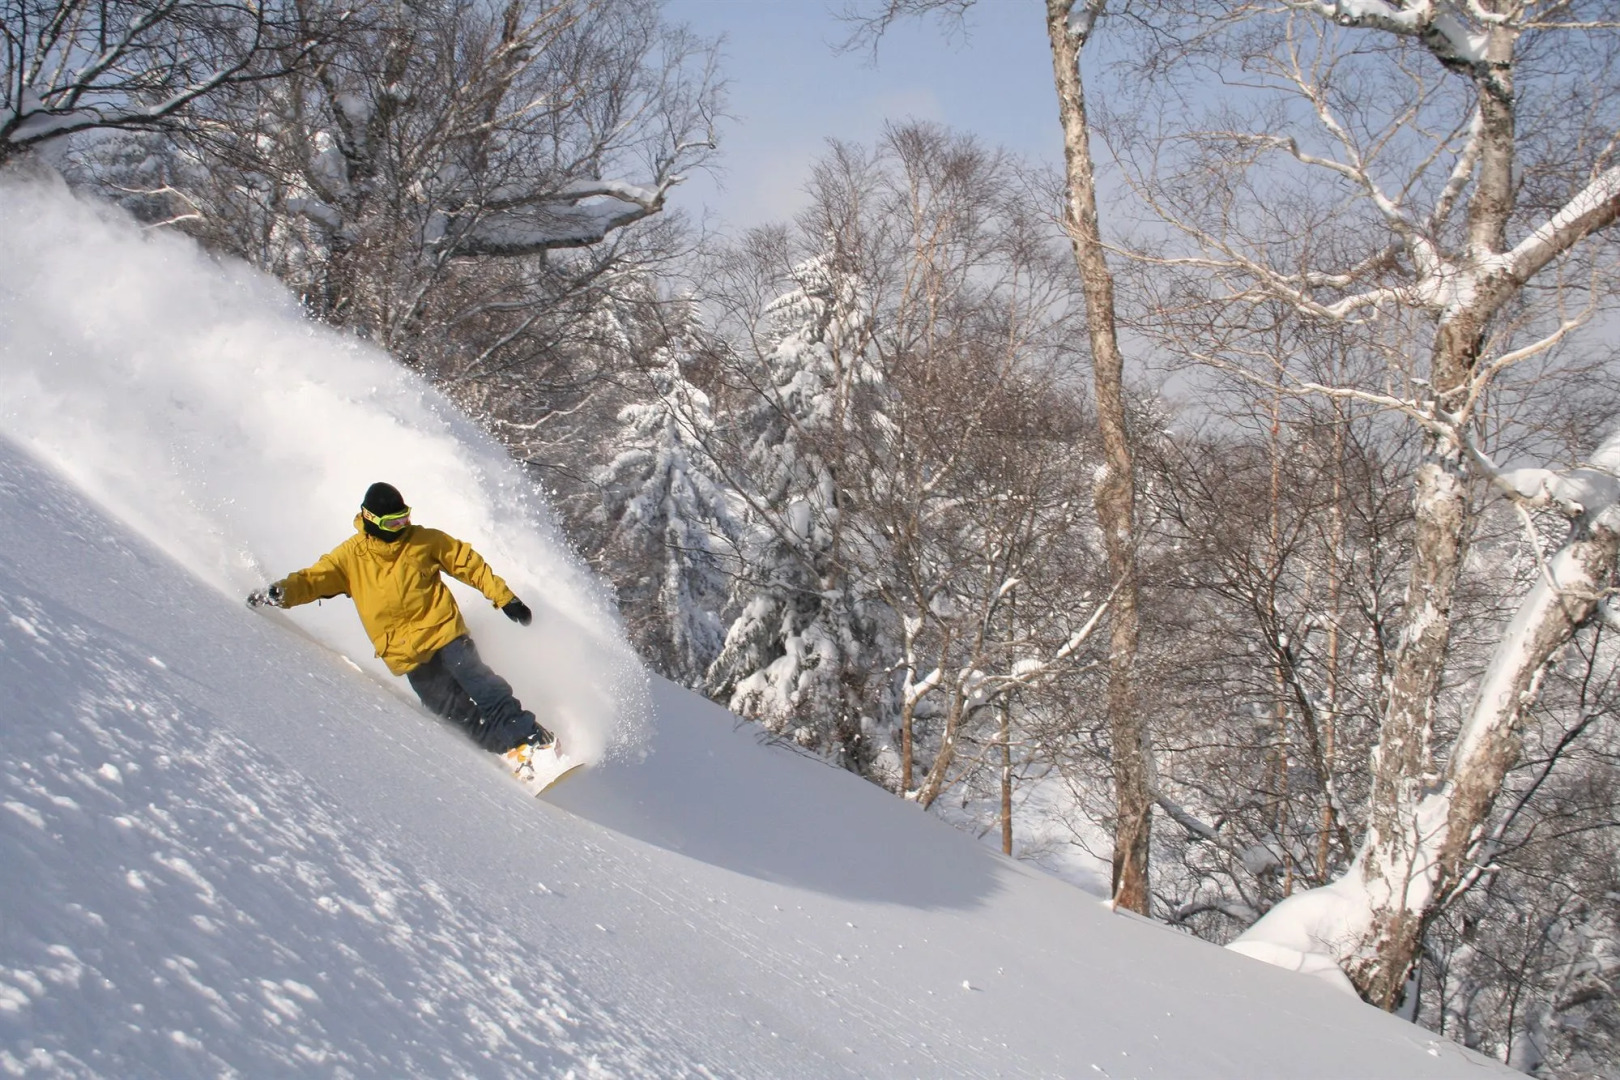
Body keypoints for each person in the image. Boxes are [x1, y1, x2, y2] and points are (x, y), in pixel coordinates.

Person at [247, 482, 554, 769]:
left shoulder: (424, 540)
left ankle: (531, 738)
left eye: (404, 518)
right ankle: (513, 755)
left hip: (443, 631)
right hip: (404, 653)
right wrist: (281, 592)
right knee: (452, 714)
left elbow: (468, 564)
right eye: (393, 523)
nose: (402, 527)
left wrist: (505, 598)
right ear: (371, 520)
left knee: (478, 682)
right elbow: (312, 580)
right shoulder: (350, 558)